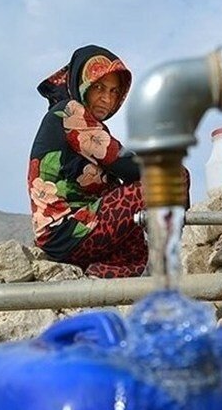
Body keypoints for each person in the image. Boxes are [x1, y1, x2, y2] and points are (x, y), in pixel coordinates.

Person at [27, 45, 147, 278]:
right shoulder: (70, 113)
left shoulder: (87, 123)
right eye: (99, 87)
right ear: (82, 85)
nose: (107, 98)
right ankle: (181, 240)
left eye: (114, 91)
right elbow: (126, 164)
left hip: (70, 234)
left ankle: (97, 277)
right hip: (68, 231)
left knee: (137, 247)